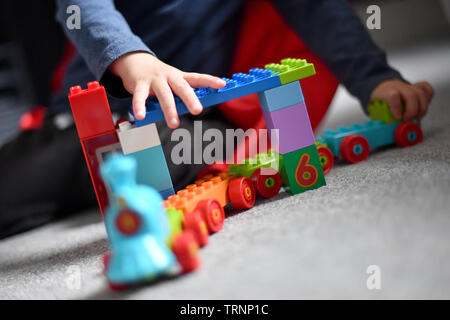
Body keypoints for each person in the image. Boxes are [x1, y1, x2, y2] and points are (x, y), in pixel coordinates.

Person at [0, 0, 433, 238]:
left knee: (192, 146)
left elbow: (318, 10)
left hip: (179, 121)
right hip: (73, 129)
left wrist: (375, 79)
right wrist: (130, 57)